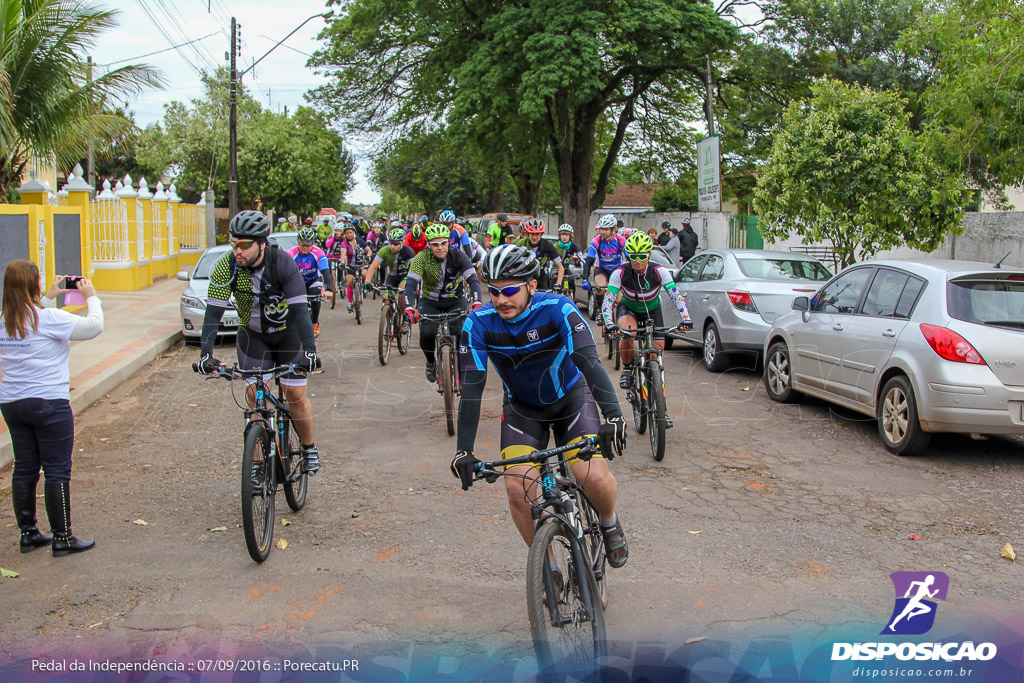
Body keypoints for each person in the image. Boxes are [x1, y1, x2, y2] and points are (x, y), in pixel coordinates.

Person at [450, 244, 630, 568]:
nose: (501, 299)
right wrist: (464, 450)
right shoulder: (478, 323)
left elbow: (588, 361)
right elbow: (472, 389)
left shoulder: (558, 308)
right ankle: (546, 566)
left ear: (532, 285)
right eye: (494, 291)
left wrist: (614, 416)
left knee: (592, 477)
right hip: (522, 411)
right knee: (517, 489)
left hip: (571, 400)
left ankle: (608, 521)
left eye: (509, 291)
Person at [196, 210, 323, 475]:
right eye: (234, 243)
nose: (237, 250)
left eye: (244, 244)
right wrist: (205, 355)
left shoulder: (282, 264)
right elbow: (213, 313)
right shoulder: (226, 266)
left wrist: (310, 351)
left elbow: (301, 311)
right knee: (256, 396)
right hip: (253, 334)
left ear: (262, 244)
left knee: (295, 395)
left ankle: (309, 448)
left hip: (288, 334)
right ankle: (255, 466)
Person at [1, 262, 102, 557]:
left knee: (25, 467)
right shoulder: (49, 318)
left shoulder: (5, 320)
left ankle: (29, 534)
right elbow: (93, 327)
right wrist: (92, 296)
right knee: (56, 469)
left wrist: (48, 296)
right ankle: (63, 538)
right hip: (48, 403)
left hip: (12, 404)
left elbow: (29, 321)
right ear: (32, 285)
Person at [602, 232, 692, 399]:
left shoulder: (659, 271)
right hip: (629, 309)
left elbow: (675, 296)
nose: (637, 261)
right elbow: (608, 302)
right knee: (629, 332)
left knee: (656, 354)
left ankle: (660, 407)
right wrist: (609, 323)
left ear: (649, 255)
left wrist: (686, 318)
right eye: (633, 256)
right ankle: (628, 369)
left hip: (652, 311)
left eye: (642, 256)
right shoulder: (620, 273)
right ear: (628, 256)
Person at [404, 223, 482, 383]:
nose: (440, 247)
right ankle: (431, 362)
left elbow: (473, 280)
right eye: (435, 244)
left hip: (456, 301)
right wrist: (409, 306)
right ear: (429, 245)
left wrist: (477, 301)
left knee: (460, 333)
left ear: (448, 242)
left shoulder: (459, 255)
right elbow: (411, 284)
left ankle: (460, 366)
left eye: (443, 243)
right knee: (427, 333)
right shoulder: (422, 258)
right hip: (430, 302)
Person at [286, 226, 334, 339]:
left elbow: (326, 272)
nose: (305, 248)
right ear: (298, 243)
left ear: (312, 244)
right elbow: (282, 271)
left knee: (315, 296)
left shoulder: (318, 253)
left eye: (308, 245)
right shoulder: (290, 253)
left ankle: (315, 323)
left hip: (313, 280)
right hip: (297, 281)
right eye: (302, 245)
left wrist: (328, 289)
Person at [362, 225, 416, 312]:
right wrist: (367, 282)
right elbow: (373, 267)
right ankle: (389, 319)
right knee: (386, 298)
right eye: (391, 243)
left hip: (405, 276)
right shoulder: (384, 250)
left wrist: (414, 283)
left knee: (401, 292)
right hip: (392, 277)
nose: (392, 246)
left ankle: (404, 316)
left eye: (396, 244)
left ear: (402, 243)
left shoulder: (408, 251)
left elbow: (415, 268)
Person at [581, 213, 626, 297]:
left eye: (605, 229)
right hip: (602, 269)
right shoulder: (596, 241)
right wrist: (585, 279)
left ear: (613, 229)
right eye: (601, 229)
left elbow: (629, 257)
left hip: (617, 270)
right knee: (600, 290)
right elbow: (589, 261)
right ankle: (599, 308)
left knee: (618, 295)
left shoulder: (620, 240)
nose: (602, 232)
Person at [513, 218, 564, 290]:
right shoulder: (521, 243)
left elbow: (560, 267)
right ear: (528, 233)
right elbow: (513, 263)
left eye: (537, 234)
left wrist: (558, 284)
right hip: (525, 276)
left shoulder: (548, 246)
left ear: (541, 234)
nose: (534, 237)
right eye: (532, 234)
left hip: (542, 277)